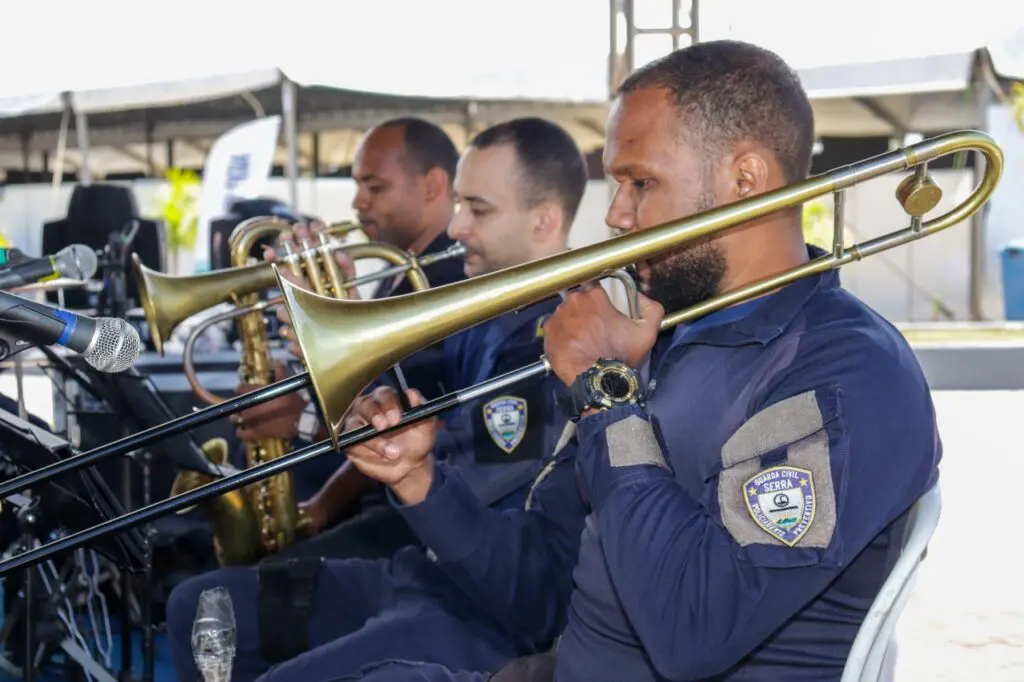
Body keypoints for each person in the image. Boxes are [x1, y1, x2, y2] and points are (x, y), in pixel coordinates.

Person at [323, 40, 942, 681]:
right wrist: (419, 481)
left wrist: (603, 393)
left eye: (640, 182)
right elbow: (542, 592)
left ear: (746, 180)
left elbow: (694, 628)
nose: (617, 216)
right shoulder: (666, 344)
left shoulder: (843, 369)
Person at [166, 117, 590, 682]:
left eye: (479, 210)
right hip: (419, 569)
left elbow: (464, 472)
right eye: (460, 205)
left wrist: (343, 382)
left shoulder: (554, 337)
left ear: (545, 220)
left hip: (481, 608)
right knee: (195, 605)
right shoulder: (482, 307)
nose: (457, 226)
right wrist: (335, 322)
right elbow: (411, 392)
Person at [228, 117, 467, 558]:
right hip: (371, 485)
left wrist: (303, 427)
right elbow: (372, 386)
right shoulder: (401, 269)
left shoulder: (445, 280)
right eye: (358, 185)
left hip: (398, 516)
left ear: (433, 185)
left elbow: (409, 422)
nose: (358, 201)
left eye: (374, 187)